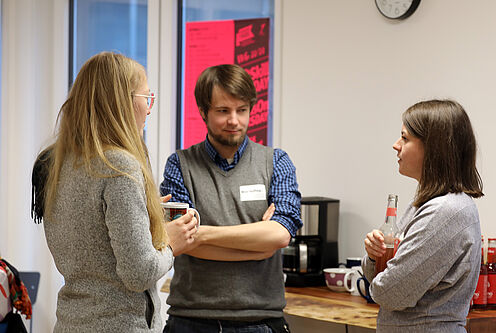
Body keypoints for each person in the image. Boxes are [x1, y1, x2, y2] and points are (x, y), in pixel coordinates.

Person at [31, 52, 198, 332]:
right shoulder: (119, 166)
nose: (149, 108)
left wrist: (140, 214)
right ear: (123, 101)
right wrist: (171, 244)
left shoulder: (56, 162)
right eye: (147, 98)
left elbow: (90, 234)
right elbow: (139, 273)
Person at [160, 64, 302, 333]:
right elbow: (180, 241)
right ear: (203, 112)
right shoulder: (179, 165)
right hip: (191, 321)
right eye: (223, 111)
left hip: (261, 322)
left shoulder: (277, 163)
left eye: (242, 110)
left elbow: (279, 236)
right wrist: (259, 246)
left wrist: (200, 234)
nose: (234, 121)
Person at [362, 99, 484, 332]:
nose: (396, 145)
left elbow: (390, 293)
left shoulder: (445, 211)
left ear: (434, 147)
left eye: (405, 138)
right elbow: (382, 279)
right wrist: (373, 256)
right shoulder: (426, 203)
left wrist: (381, 278)